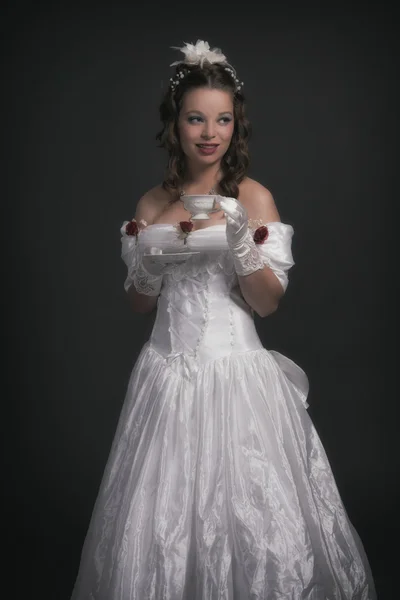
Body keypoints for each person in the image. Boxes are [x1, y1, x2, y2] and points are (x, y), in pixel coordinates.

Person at [71, 40, 376, 599]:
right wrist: (147, 266)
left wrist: (241, 244)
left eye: (223, 119)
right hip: (165, 378)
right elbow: (140, 305)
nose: (210, 132)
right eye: (196, 118)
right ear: (175, 125)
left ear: (236, 125)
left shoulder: (252, 198)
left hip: (237, 376)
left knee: (252, 519)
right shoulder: (151, 206)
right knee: (160, 521)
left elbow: (268, 303)